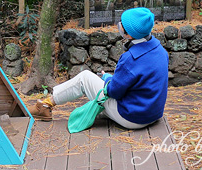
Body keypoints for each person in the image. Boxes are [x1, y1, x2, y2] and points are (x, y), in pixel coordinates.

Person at [28, 7, 169, 129]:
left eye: (123, 25)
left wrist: (108, 78)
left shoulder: (131, 58)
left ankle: (45, 105)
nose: (120, 26)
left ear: (129, 34)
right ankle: (45, 105)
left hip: (131, 118)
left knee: (85, 78)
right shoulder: (161, 51)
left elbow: (114, 92)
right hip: (152, 114)